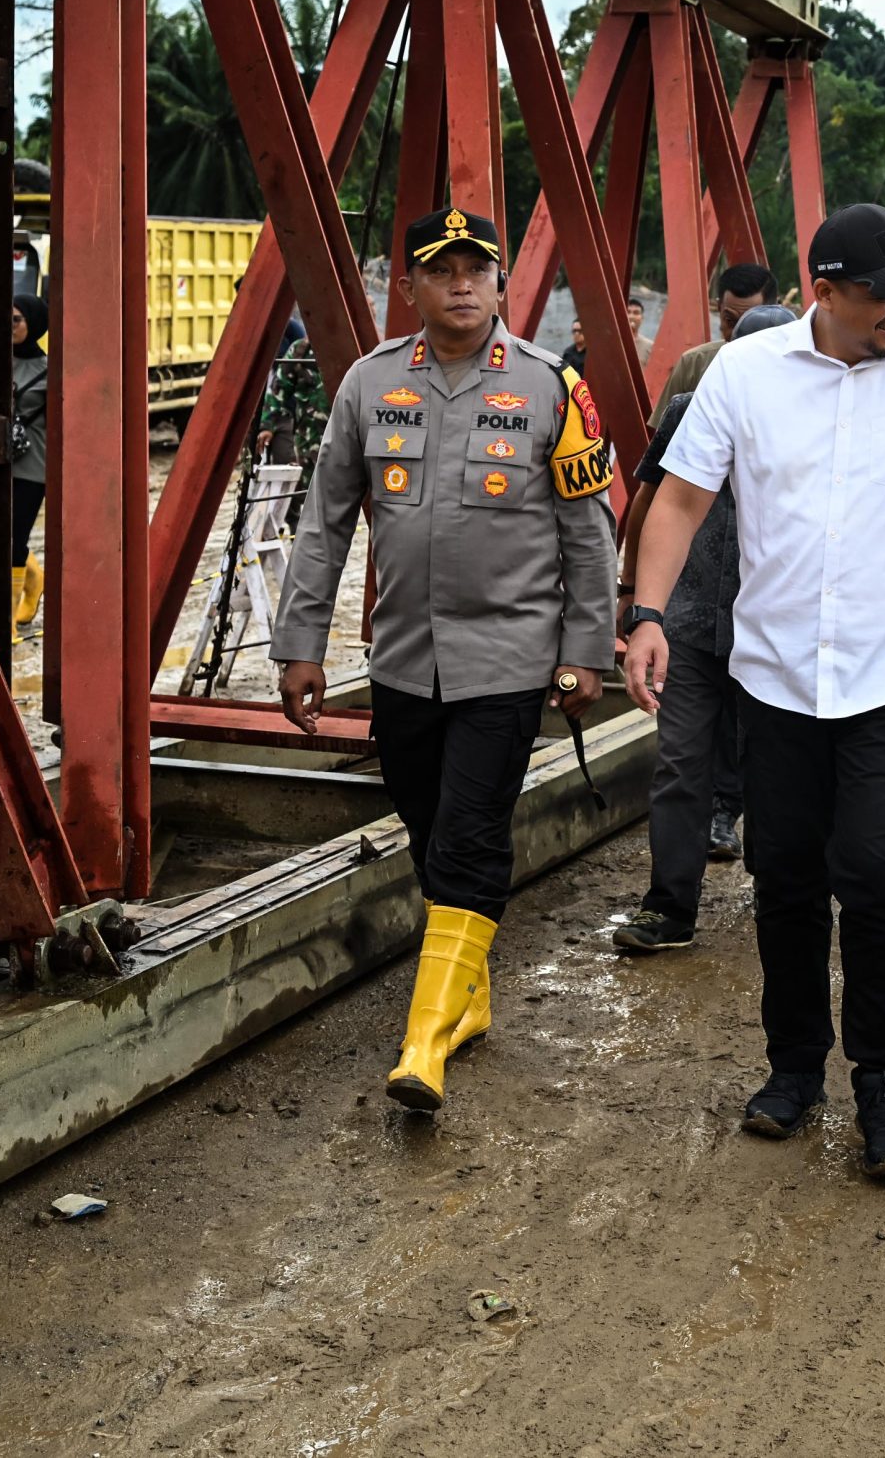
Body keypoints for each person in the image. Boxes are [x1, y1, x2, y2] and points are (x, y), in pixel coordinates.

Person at [625, 202, 885, 1182]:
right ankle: (794, 1066)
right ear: (826, 292)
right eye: (884, 296)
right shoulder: (745, 374)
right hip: (777, 680)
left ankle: (884, 1085)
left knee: (878, 877)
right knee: (785, 879)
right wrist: (648, 613)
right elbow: (680, 498)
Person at [270, 206, 617, 1115]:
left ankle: (423, 1041)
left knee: (467, 833)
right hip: (404, 661)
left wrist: (587, 651)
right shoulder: (370, 382)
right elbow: (325, 526)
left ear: (501, 282)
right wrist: (300, 643)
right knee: (428, 829)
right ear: (409, 286)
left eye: (476, 268)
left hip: (509, 660)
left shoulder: (551, 387)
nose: (461, 283)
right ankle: (468, 997)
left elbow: (589, 533)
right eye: (440, 269)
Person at [609, 303, 796, 954]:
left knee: (774, 768)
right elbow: (648, 502)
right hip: (686, 623)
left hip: (771, 629)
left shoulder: (816, 423)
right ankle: (669, 907)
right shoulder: (691, 411)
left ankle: (781, 898)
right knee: (681, 765)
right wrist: (634, 596)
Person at [662, 263, 779, 401]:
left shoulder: (791, 367)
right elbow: (666, 415)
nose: (737, 333)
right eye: (730, 321)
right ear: (719, 308)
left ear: (774, 313)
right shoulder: (693, 366)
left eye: (750, 323)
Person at [8, 295, 49, 637]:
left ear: (33, 323)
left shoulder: (50, 369)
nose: (10, 327)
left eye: (16, 320)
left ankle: (5, 621)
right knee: (0, 536)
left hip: (33, 467)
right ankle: (33, 575)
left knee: (15, 537)